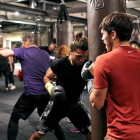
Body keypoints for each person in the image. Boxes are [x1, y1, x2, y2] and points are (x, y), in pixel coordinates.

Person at [0, 33, 66, 140]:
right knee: (51, 121)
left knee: (14, 117)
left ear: (26, 41)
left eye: (22, 43)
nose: (22, 45)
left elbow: (3, 53)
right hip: (46, 93)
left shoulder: (24, 51)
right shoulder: (45, 54)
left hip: (32, 93)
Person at [87, 11, 140, 140]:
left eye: (103, 34)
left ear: (113, 34)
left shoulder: (103, 61)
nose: (101, 39)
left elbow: (97, 103)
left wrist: (89, 79)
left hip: (120, 135)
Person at [29, 32, 91, 140]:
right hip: (57, 104)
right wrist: (51, 88)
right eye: (79, 56)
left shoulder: (87, 67)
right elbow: (46, 78)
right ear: (70, 52)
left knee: (91, 134)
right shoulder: (59, 63)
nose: (81, 60)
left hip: (75, 104)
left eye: (84, 56)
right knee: (38, 134)